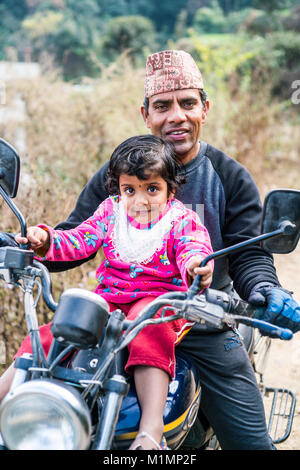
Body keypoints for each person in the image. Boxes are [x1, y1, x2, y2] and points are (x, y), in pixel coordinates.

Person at [1, 49, 299, 449]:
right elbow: (78, 236)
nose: (176, 115)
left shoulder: (228, 176)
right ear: (146, 115)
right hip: (112, 316)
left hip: (199, 316)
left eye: (187, 103)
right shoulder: (117, 179)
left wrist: (266, 289)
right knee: (42, 354)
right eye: (162, 106)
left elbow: (249, 253)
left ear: (204, 109)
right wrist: (38, 242)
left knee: (249, 441)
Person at [13, 134, 213, 451]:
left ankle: (150, 428)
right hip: (110, 302)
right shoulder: (110, 212)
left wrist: (195, 265)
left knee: (148, 328)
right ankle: (10, 403)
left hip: (158, 303)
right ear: (119, 189)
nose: (139, 200)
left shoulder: (182, 221)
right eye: (129, 189)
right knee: (52, 333)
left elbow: (194, 249)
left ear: (170, 190)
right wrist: (45, 240)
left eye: (152, 189)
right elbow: (76, 240)